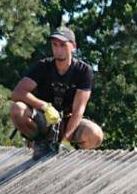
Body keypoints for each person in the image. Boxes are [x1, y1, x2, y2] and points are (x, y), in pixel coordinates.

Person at [9, 26, 104, 159]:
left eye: (63, 45)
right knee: (17, 109)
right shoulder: (43, 66)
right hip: (44, 121)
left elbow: (78, 110)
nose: (58, 49)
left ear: (73, 46)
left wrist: (66, 140)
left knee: (95, 134)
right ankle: (39, 143)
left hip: (68, 122)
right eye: (55, 45)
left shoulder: (83, 71)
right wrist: (45, 106)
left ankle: (70, 154)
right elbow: (17, 93)